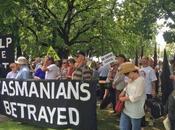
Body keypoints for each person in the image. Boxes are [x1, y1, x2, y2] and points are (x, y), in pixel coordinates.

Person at [119, 62, 146, 130]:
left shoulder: (141, 80)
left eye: (126, 74)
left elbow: (136, 97)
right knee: (123, 128)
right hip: (126, 109)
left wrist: (124, 98)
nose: (126, 75)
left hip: (135, 112)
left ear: (132, 72)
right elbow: (127, 87)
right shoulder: (130, 79)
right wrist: (123, 91)